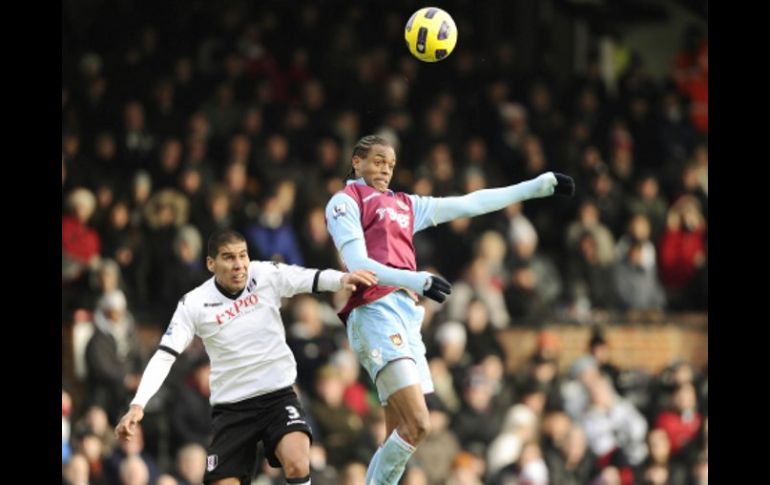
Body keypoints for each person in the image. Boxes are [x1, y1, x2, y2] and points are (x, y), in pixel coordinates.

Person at [324, 134, 574, 484]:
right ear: (357, 161)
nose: (386, 169)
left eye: (391, 164)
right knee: (419, 424)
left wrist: (535, 186)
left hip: (407, 317)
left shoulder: (405, 205)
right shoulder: (345, 201)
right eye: (378, 160)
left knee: (397, 435)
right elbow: (357, 263)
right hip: (374, 311)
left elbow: (469, 204)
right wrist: (416, 280)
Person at [114, 229, 377, 485]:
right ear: (210, 263)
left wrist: (342, 279)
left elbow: (307, 278)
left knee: (298, 460)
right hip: (232, 407)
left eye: (243, 255)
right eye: (229, 257)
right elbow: (165, 355)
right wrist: (138, 404)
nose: (239, 264)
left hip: (276, 395)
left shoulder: (264, 274)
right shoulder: (194, 304)